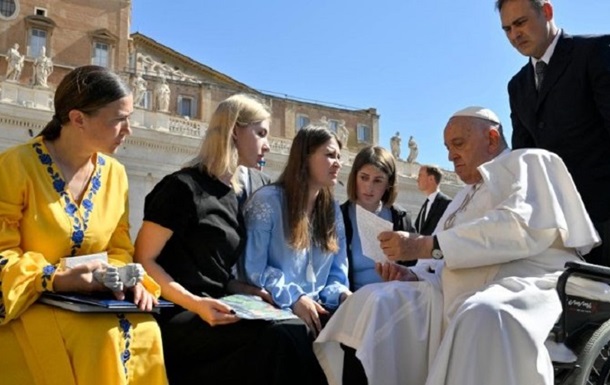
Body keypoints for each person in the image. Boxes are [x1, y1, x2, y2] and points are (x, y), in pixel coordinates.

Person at [313, 106, 600, 385]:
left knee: (483, 313)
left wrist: (424, 246)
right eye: (447, 147)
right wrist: (413, 274)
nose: (450, 156)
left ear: (491, 138)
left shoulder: (528, 162)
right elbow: (435, 261)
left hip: (523, 280)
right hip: (450, 290)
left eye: (458, 144)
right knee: (377, 299)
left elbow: (519, 227)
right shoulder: (463, 196)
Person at [134, 94, 324, 385]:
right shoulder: (181, 187)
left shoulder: (235, 196)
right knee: (281, 337)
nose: (268, 145)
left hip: (220, 307)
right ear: (235, 130)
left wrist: (244, 289)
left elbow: (213, 270)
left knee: (294, 328)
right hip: (181, 313)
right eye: (260, 133)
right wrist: (196, 303)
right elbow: (144, 260)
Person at [0, 65, 167, 385]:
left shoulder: (115, 174)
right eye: (119, 119)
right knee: (100, 339)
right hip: (29, 304)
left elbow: (119, 247)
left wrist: (126, 278)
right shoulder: (15, 166)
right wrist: (55, 279)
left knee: (148, 331)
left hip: (95, 304)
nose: (129, 130)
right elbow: (2, 254)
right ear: (77, 119)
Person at [497, 0, 610, 266]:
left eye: (520, 23)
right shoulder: (517, 86)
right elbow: (524, 160)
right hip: (557, 234)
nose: (515, 35)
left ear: (547, 12)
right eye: (507, 29)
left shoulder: (595, 52)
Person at [242, 123, 351, 337]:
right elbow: (253, 268)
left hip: (318, 308)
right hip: (276, 308)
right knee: (295, 335)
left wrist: (343, 296)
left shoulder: (333, 211)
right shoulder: (268, 201)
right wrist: (294, 298)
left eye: (339, 157)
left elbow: (337, 275)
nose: (338, 164)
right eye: (330, 155)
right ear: (305, 158)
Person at [340, 145, 415, 291]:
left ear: (389, 184)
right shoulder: (339, 216)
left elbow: (417, 267)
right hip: (353, 302)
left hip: (396, 302)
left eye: (378, 180)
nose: (369, 187)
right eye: (364, 178)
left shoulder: (401, 218)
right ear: (354, 177)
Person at [414, 165, 451, 235]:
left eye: (420, 175)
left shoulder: (447, 204)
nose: (417, 179)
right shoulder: (425, 205)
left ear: (431, 179)